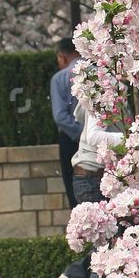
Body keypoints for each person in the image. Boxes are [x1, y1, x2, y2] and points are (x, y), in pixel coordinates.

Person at [56, 103, 123, 278]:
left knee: (113, 240)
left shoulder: (114, 93)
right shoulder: (102, 94)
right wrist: (130, 140)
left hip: (95, 178)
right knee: (107, 245)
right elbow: (92, 136)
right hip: (92, 179)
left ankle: (77, 274)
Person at [49, 38, 82, 208]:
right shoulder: (100, 72)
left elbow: (60, 116)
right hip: (102, 138)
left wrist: (80, 133)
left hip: (71, 139)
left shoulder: (60, 78)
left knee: (73, 187)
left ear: (62, 56)